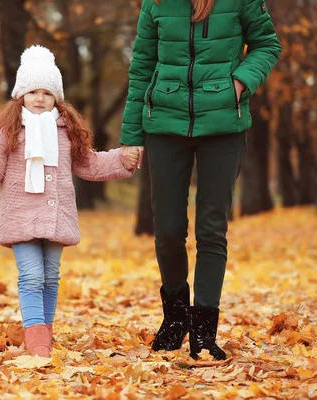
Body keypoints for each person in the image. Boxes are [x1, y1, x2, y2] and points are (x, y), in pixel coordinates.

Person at [120, 0, 281, 360]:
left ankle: (204, 332)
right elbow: (142, 65)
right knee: (168, 230)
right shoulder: (156, 4)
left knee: (212, 228)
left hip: (223, 127)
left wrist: (240, 82)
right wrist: (131, 136)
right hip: (163, 124)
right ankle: (176, 319)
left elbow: (267, 43)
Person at [0, 45, 138, 357]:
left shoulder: (66, 132)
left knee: (51, 277)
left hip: (56, 216)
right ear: (20, 95)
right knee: (31, 275)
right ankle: (37, 341)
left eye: (46, 92)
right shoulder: (6, 132)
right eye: (32, 91)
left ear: (57, 97)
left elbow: (89, 164)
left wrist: (123, 160)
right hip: (21, 215)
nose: (39, 98)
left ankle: (45, 333)